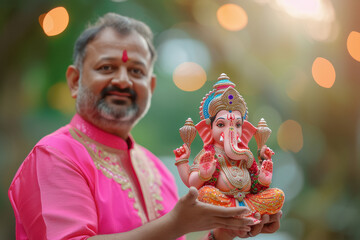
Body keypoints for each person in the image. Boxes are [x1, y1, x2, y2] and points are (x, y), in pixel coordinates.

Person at [8, 13, 281, 240]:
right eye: (106, 67)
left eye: (136, 71)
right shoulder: (55, 155)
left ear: (150, 87)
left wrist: (222, 233)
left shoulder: (157, 170)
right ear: (75, 81)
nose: (123, 81)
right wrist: (175, 224)